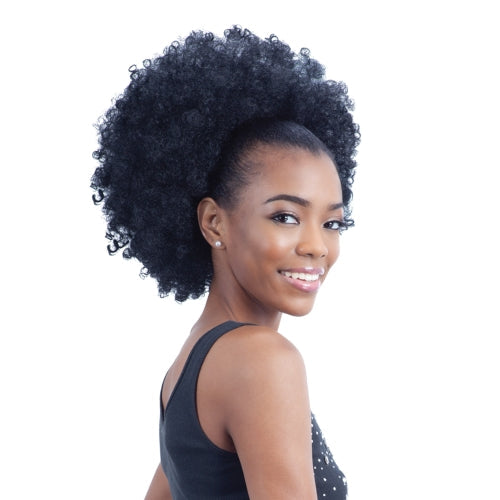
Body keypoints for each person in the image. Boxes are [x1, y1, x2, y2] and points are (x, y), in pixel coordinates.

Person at [91, 26, 359, 500]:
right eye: (286, 216)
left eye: (332, 223)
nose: (317, 246)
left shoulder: (188, 368)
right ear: (214, 222)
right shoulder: (262, 360)